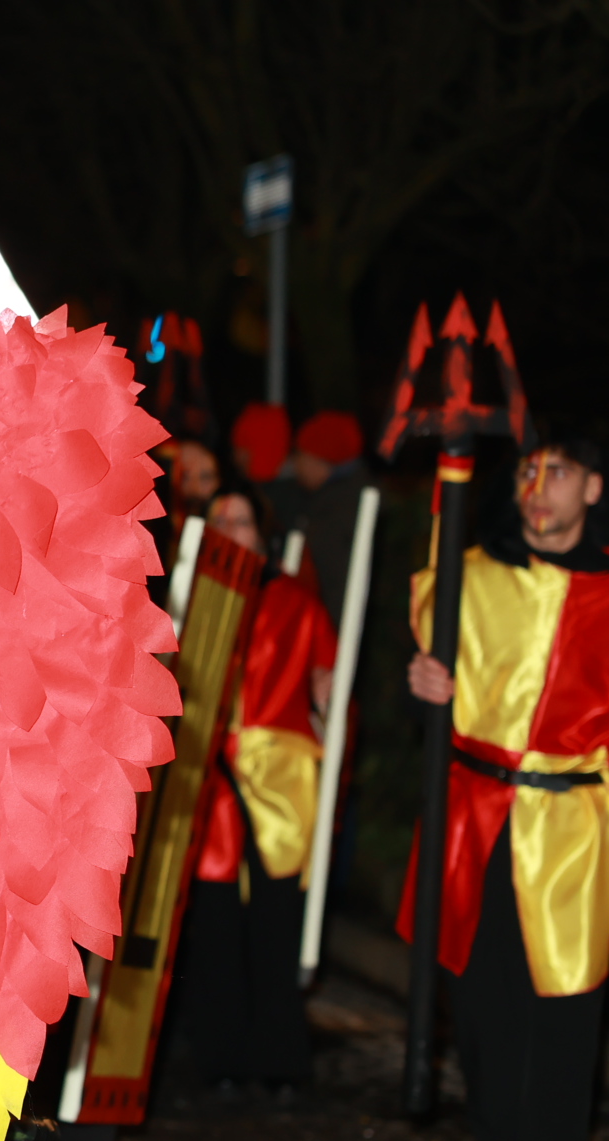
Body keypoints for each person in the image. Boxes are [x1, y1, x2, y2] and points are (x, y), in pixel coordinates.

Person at [403, 437, 609, 1141]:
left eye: (557, 472)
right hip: (476, 817)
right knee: (481, 1011)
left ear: (594, 487)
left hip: (571, 831)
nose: (537, 486)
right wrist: (423, 685)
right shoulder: (473, 577)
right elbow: (430, 678)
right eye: (528, 470)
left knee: (565, 1017)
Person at [171, 486, 336, 1098]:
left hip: (280, 783)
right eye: (219, 520)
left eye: (241, 521)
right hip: (210, 781)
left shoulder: (297, 602)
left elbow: (328, 688)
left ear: (263, 537)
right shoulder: (190, 602)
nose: (229, 530)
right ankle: (220, 1056)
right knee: (214, 922)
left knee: (274, 923)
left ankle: (279, 1058)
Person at [288, 410, 375, 625]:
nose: (295, 464)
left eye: (299, 454)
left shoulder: (334, 513)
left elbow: (334, 586)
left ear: (316, 460)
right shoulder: (354, 495)